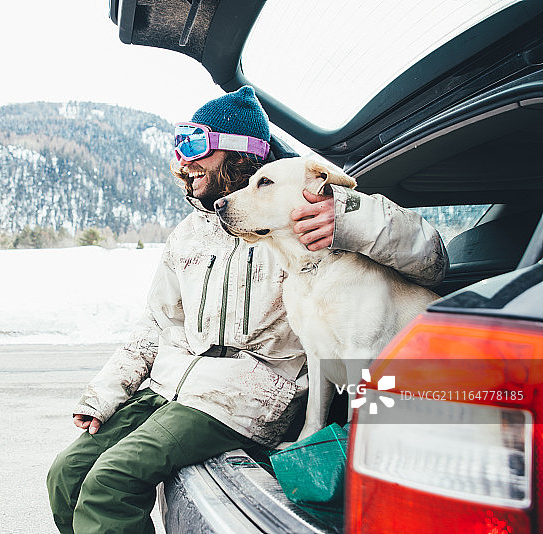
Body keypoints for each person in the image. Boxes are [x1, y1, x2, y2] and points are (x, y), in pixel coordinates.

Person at [46, 86, 448, 534]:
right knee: (66, 475)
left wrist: (349, 217)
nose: (184, 161)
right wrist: (106, 393)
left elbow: (429, 258)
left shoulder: (307, 212)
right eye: (179, 146)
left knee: (111, 483)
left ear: (239, 154)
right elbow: (157, 324)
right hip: (172, 385)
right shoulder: (189, 233)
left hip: (245, 395)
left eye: (197, 145)